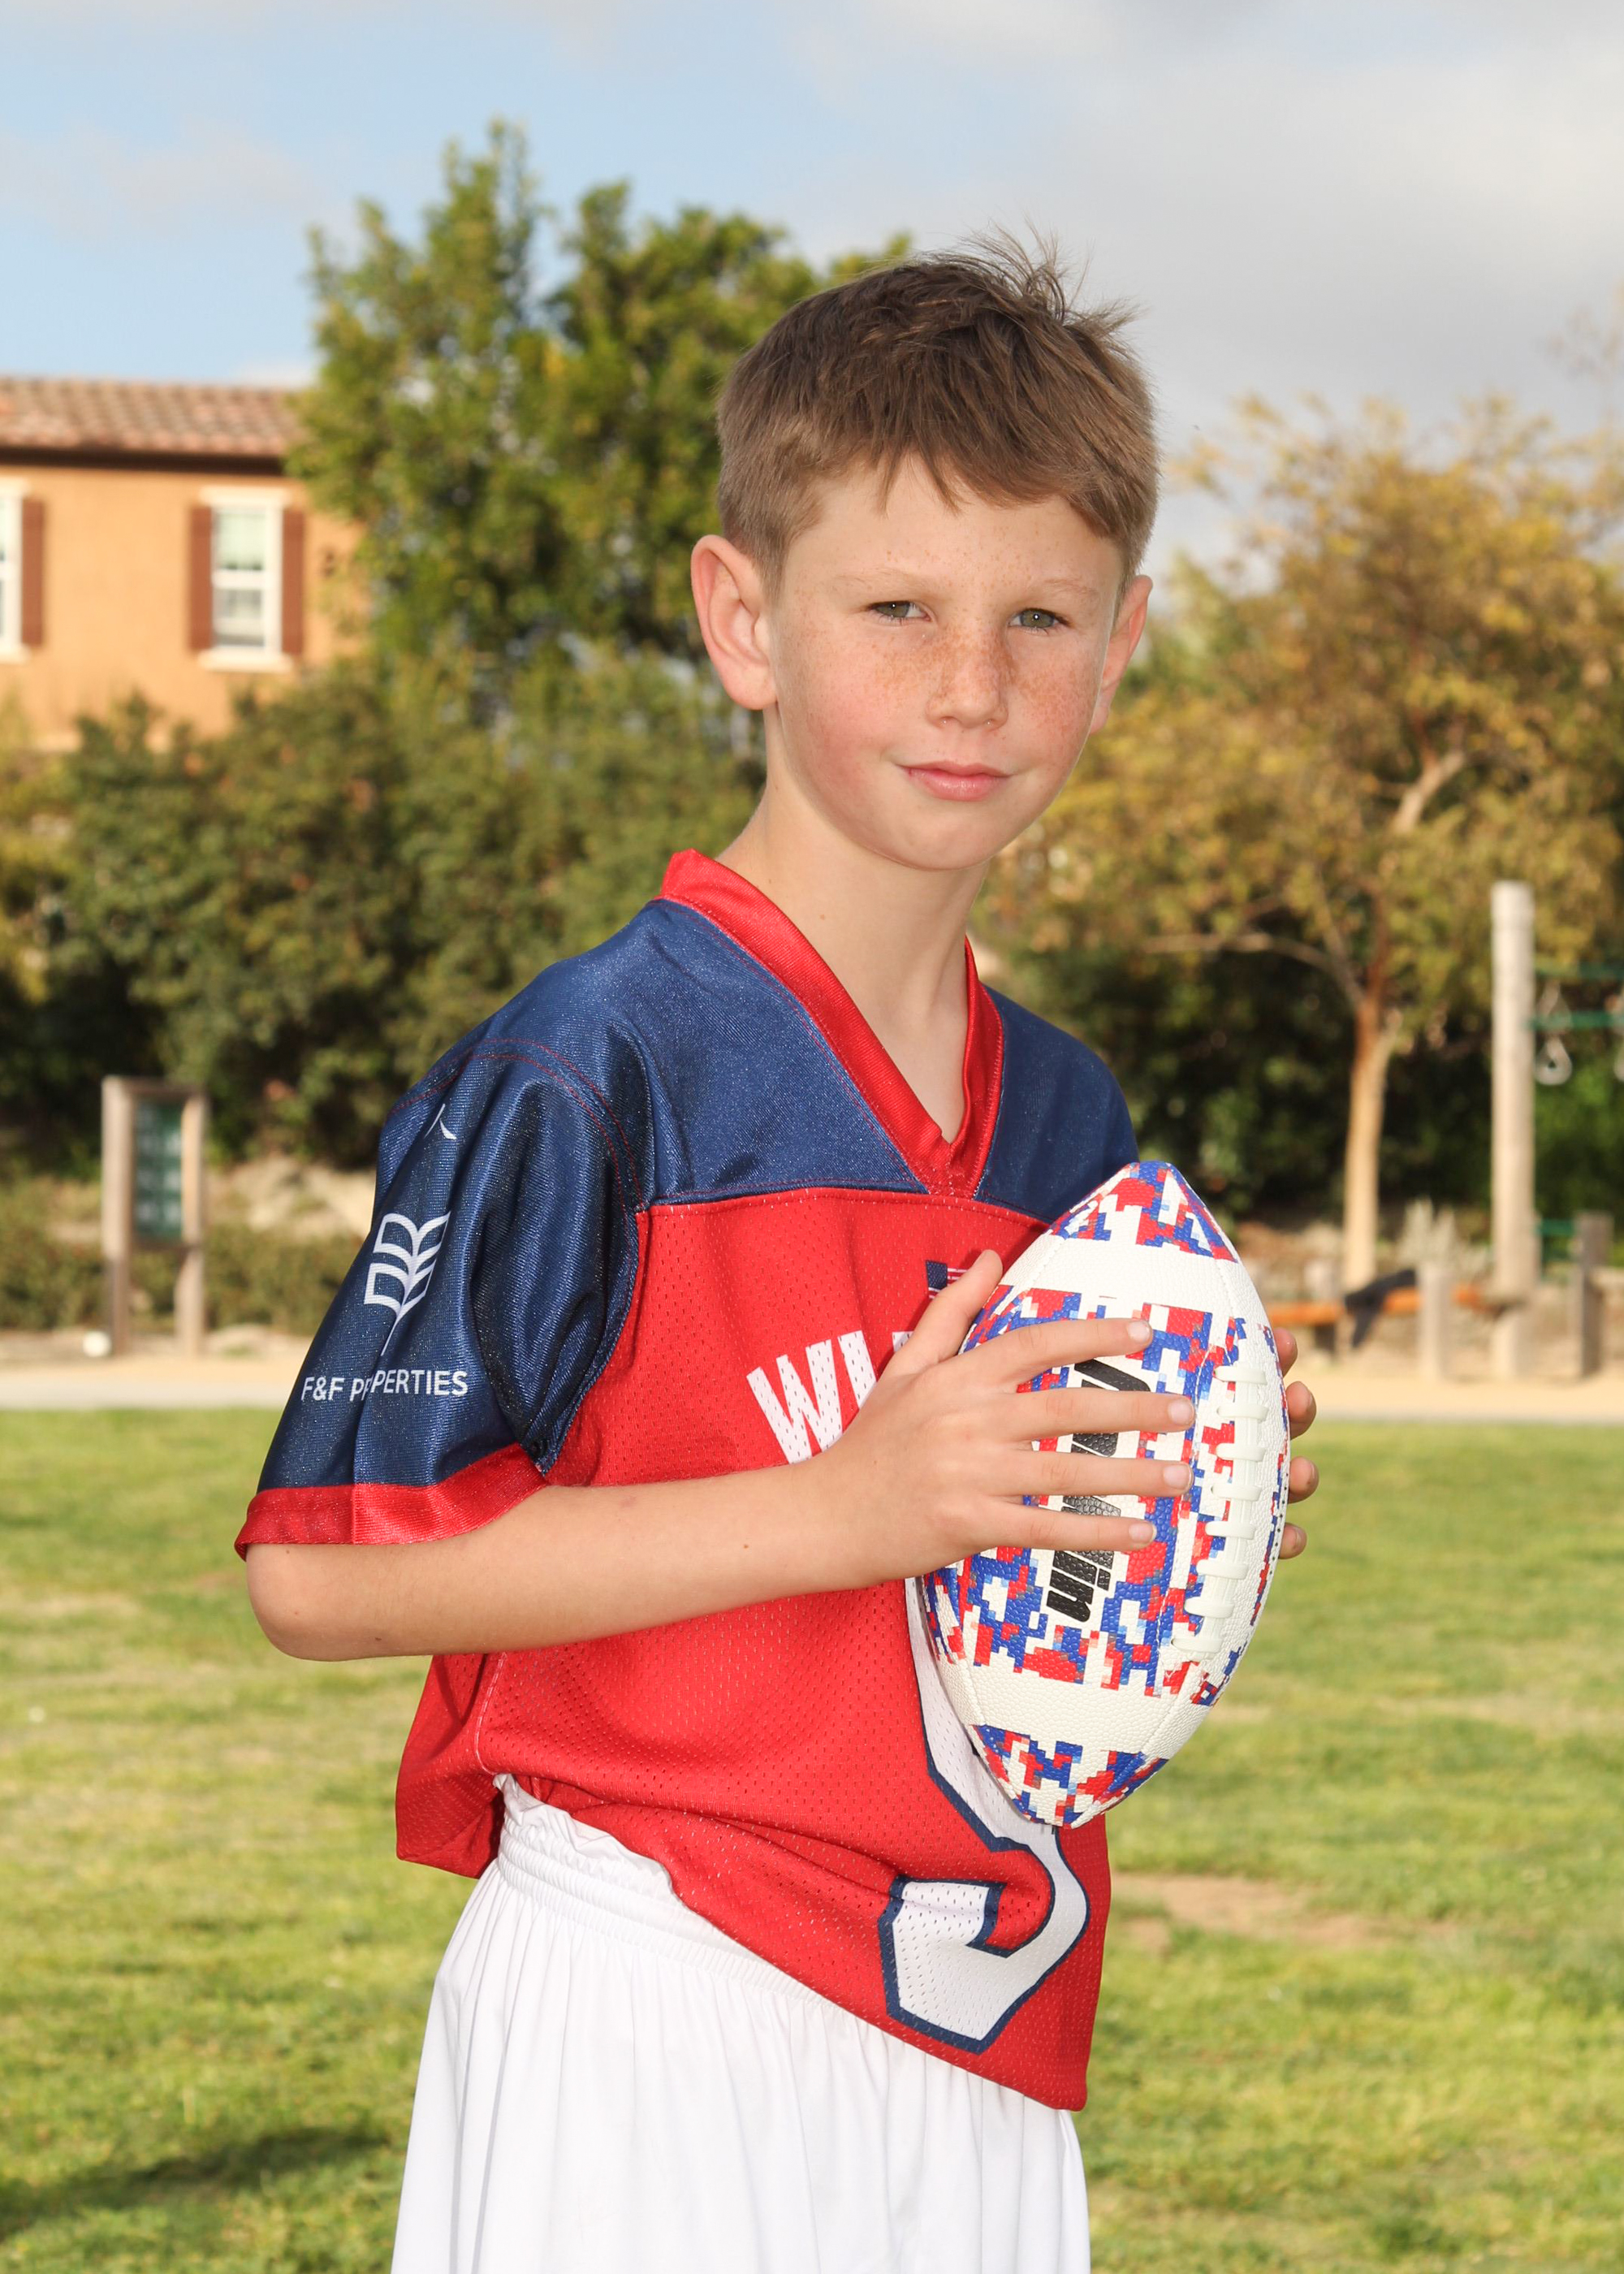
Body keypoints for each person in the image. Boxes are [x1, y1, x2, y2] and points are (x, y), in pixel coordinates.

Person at [240, 240, 1320, 2274]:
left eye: (1038, 616)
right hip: (660, 1990)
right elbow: (324, 1571)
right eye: (897, 609)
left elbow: (1008, 1578)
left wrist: (1175, 1494)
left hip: (982, 2018)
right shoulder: (593, 1063)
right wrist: (853, 1505)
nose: (971, 683)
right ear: (742, 618)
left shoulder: (1070, 1118)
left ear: (1122, 643)